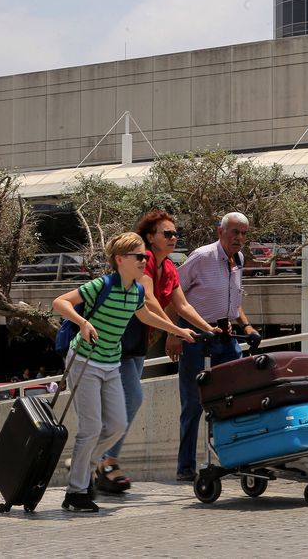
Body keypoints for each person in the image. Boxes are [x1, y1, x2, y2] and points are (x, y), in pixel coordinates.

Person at [52, 232, 195, 512]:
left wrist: (177, 331)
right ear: (120, 259)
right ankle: (76, 492)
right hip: (84, 360)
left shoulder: (137, 291)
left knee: (116, 426)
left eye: (145, 256)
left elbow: (145, 315)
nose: (145, 261)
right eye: (139, 256)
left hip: (111, 363)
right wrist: (83, 322)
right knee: (91, 428)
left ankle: (84, 467)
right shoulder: (101, 285)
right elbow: (61, 302)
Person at [93, 211, 219, 494]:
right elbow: (147, 300)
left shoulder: (170, 267)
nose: (174, 238)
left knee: (124, 403)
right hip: (117, 339)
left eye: (175, 234)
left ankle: (101, 462)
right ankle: (104, 461)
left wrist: (208, 328)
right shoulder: (144, 262)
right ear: (151, 237)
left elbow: (183, 306)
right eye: (167, 234)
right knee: (133, 399)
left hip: (137, 344)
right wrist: (174, 331)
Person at [168, 212, 263, 482]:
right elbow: (174, 294)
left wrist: (246, 326)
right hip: (197, 337)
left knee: (231, 401)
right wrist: (173, 333)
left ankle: (228, 460)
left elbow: (233, 297)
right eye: (234, 232)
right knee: (193, 404)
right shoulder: (201, 256)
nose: (239, 238)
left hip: (226, 336)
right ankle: (185, 468)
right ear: (220, 231)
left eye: (244, 233)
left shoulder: (239, 259)